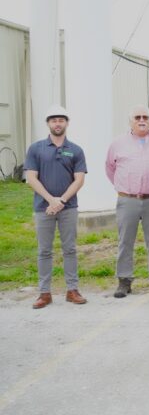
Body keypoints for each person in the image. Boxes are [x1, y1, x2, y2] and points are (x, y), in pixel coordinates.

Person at [24, 105, 88, 309]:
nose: (57, 123)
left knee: (69, 249)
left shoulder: (76, 150)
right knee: (44, 251)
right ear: (48, 124)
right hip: (43, 208)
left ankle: (72, 290)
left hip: (68, 208)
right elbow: (31, 178)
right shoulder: (36, 149)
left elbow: (79, 180)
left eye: (61, 120)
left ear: (67, 123)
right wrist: (51, 200)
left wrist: (60, 201)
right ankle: (44, 293)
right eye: (53, 120)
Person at [105, 106, 149, 298]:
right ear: (130, 121)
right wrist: (124, 187)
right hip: (128, 199)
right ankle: (124, 281)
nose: (142, 120)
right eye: (137, 117)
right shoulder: (118, 143)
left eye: (145, 117)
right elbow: (110, 168)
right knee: (125, 241)